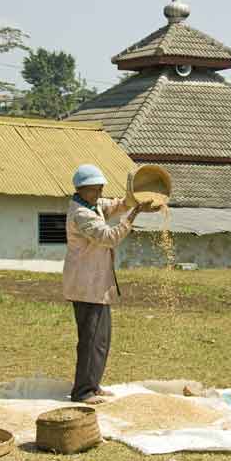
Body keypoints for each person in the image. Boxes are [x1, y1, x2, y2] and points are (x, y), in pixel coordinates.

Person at [62, 164, 159, 404]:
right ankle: (82, 392)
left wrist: (133, 197)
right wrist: (134, 215)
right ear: (81, 190)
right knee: (90, 339)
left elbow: (118, 204)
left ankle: (92, 385)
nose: (98, 193)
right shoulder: (81, 214)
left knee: (100, 339)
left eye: (100, 189)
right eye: (94, 190)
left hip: (96, 284)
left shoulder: (93, 205)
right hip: (86, 285)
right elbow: (109, 237)